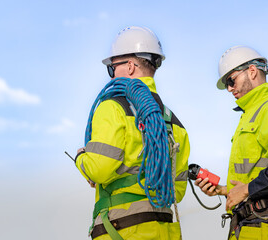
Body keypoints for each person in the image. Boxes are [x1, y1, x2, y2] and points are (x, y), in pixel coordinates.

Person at [75, 26, 190, 240]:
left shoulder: (113, 107)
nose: (111, 75)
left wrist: (82, 159)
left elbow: (99, 169)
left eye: (112, 68)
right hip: (163, 231)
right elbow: (178, 192)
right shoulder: (175, 124)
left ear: (129, 67)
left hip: (122, 230)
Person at [195, 45, 268, 239]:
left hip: (265, 228)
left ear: (252, 72)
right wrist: (224, 190)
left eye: (231, 80)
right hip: (247, 226)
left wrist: (245, 190)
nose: (229, 88)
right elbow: (253, 176)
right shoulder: (250, 116)